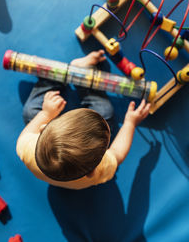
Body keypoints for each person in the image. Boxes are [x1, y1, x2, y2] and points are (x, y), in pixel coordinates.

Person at [16, 50, 150, 189]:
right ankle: (80, 73)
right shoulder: (99, 170)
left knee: (30, 113)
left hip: (46, 136)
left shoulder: (29, 149)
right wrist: (130, 123)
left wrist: (45, 113)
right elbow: (117, 154)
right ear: (92, 171)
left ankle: (51, 78)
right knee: (104, 111)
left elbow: (24, 137)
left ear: (43, 129)